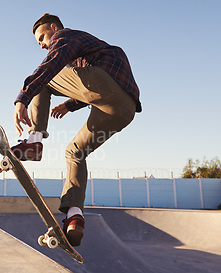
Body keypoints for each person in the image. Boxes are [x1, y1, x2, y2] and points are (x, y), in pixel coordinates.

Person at [12, 13, 141, 247]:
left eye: (42, 37)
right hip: (123, 110)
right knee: (75, 152)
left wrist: (23, 98)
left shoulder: (64, 36)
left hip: (106, 88)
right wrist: (69, 105)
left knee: (44, 77)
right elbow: (94, 86)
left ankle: (34, 141)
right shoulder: (86, 54)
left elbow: (52, 65)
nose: (42, 44)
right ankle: (74, 217)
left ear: (53, 28)